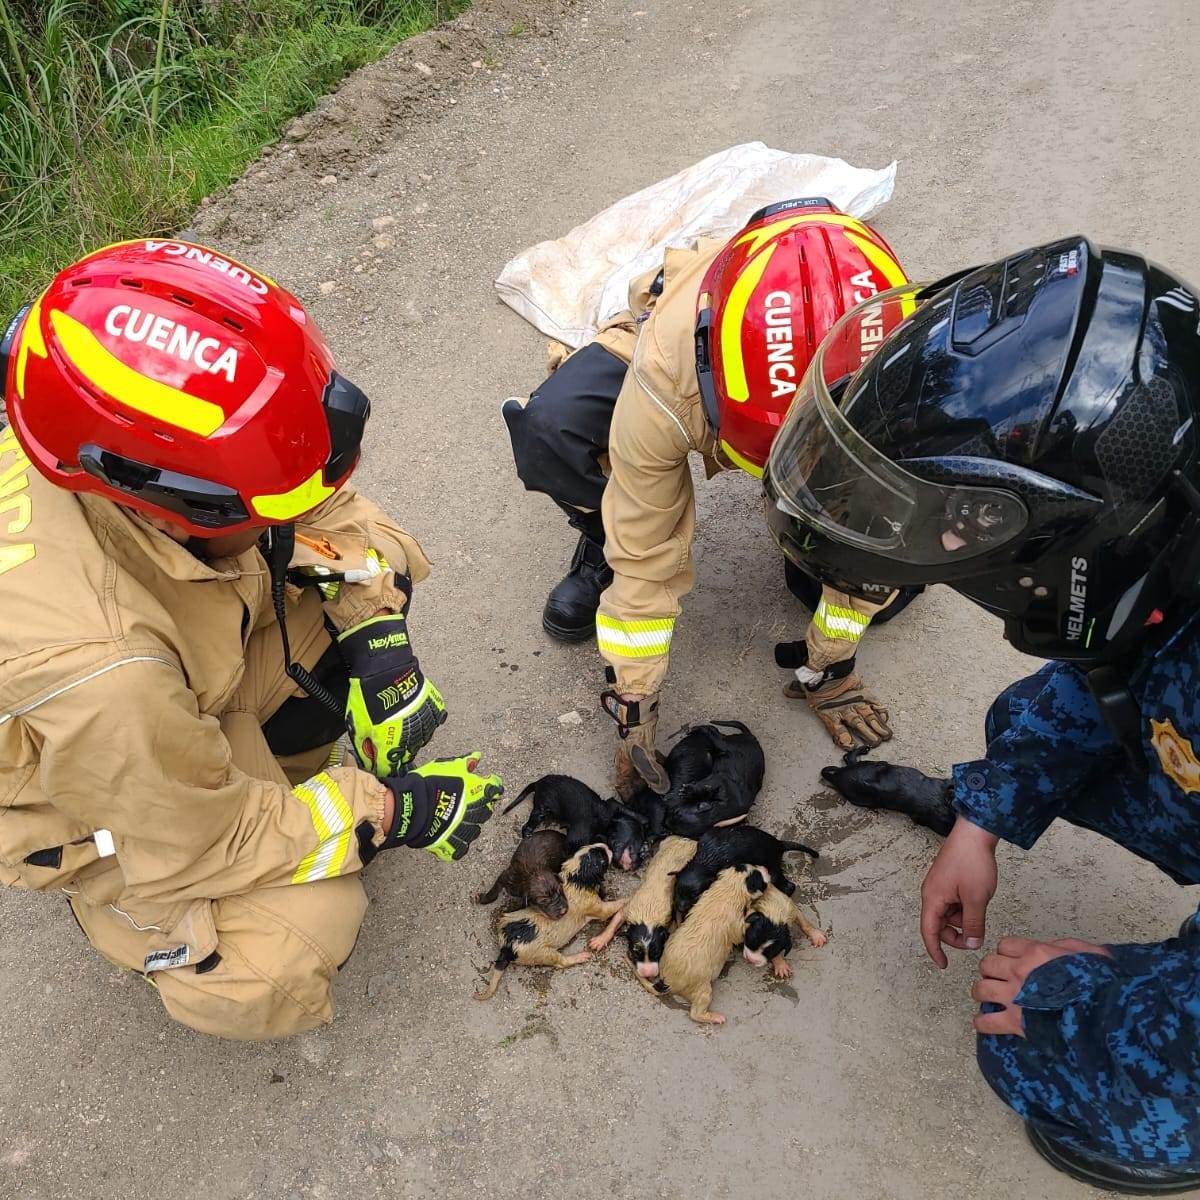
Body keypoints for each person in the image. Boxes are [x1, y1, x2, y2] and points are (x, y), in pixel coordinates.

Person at [764, 235, 1200, 1191]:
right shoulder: (1177, 542)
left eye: (969, 538)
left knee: (1047, 1045)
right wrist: (983, 814)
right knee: (1044, 721)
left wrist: (1113, 1000)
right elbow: (1109, 677)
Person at [0, 239, 501, 1040]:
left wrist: (375, 631)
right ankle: (120, 908)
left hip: (168, 682)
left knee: (377, 571)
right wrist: (385, 811)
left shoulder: (99, 432)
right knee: (286, 955)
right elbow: (210, 836)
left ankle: (265, 771)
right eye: (260, 509)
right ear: (175, 506)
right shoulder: (106, 673)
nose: (285, 515)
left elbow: (323, 510)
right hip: (97, 788)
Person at [502, 198, 914, 797]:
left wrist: (831, 668)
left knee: (872, 573)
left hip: (815, 404)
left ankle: (809, 544)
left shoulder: (899, 379)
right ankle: (599, 542)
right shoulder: (666, 379)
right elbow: (648, 557)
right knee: (552, 436)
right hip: (682, 346)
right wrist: (634, 713)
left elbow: (874, 549)